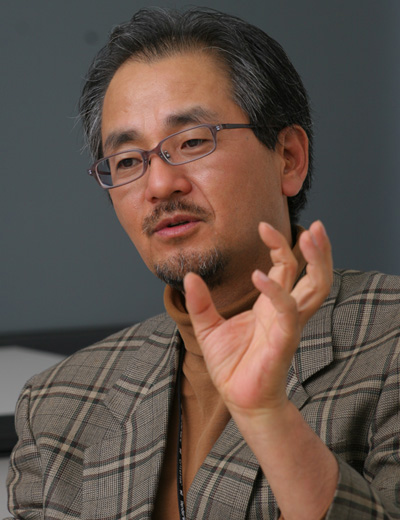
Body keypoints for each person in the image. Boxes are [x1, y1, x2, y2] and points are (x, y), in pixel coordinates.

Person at [5, 7, 400, 520]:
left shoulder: (389, 342)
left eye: (192, 142)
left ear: (288, 157)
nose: (159, 185)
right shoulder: (57, 406)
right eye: (127, 160)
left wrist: (270, 418)